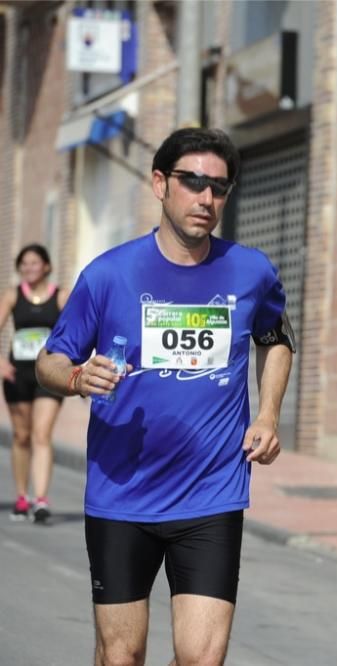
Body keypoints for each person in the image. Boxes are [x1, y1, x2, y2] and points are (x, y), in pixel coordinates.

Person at [36, 127, 295, 666]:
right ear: (160, 183)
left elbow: (277, 339)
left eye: (219, 188)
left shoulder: (251, 271)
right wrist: (78, 378)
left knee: (202, 658)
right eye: (192, 182)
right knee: (121, 655)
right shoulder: (109, 274)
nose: (206, 198)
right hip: (121, 494)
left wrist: (268, 414)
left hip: (212, 493)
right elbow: (49, 361)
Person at [0, 244, 69, 523]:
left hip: (49, 374)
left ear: (47, 266)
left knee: (41, 433)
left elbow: (78, 328)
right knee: (22, 436)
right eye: (23, 264)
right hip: (17, 374)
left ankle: (40, 499)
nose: (28, 268)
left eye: (34, 263)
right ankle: (21, 496)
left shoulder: (61, 296)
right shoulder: (13, 295)